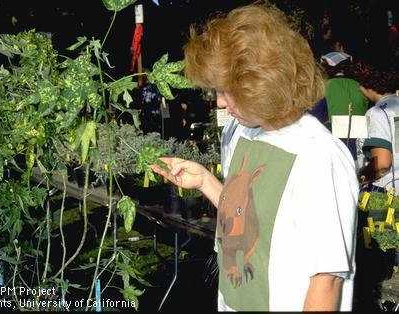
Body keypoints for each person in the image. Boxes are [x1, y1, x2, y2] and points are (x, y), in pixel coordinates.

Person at [151, 2, 358, 311]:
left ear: (264, 82)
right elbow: (247, 218)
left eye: (227, 91)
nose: (220, 103)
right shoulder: (239, 132)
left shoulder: (319, 156)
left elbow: (326, 280)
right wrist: (205, 181)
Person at [357, 67, 399, 194]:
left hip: (388, 190)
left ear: (366, 86)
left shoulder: (377, 112)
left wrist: (359, 179)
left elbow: (382, 162)